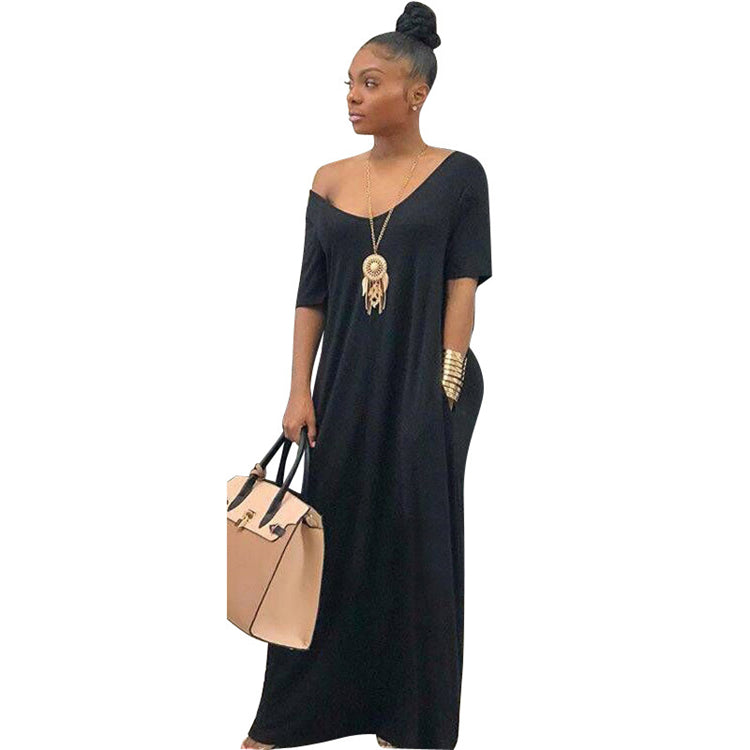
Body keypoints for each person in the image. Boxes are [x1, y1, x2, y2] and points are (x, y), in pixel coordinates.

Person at [242, 3, 492, 748]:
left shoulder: (461, 176)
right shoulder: (327, 182)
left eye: (370, 82)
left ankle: (407, 724)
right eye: (349, 83)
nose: (353, 96)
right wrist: (298, 389)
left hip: (426, 386)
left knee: (417, 551)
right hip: (343, 390)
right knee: (324, 549)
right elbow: (311, 294)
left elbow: (463, 288)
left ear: (416, 93)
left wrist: (443, 390)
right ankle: (284, 720)